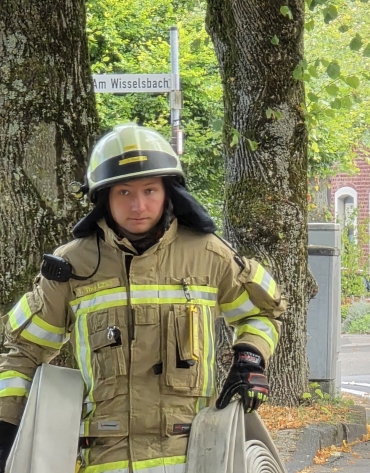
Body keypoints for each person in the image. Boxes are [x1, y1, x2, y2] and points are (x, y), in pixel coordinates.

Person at [0, 124, 284, 472]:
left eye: (150, 190)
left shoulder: (210, 255)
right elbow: (24, 354)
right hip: (104, 460)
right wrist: (5, 431)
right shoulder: (72, 265)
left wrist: (251, 359)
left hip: (195, 456)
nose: (138, 205)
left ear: (169, 191)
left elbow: (261, 314)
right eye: (124, 192)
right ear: (103, 196)